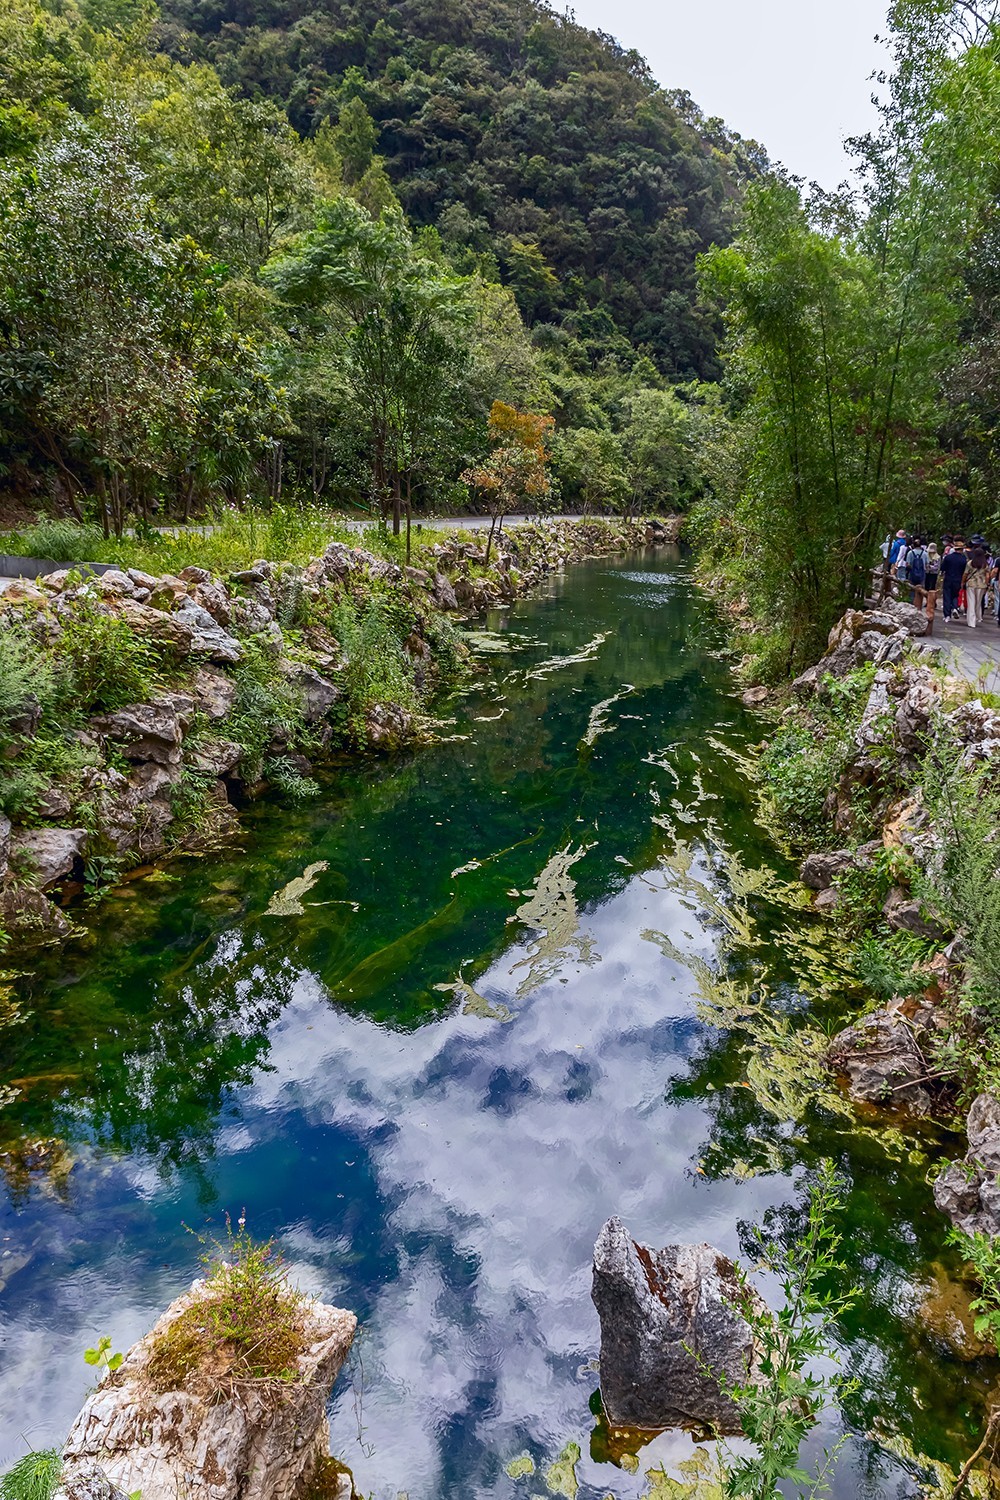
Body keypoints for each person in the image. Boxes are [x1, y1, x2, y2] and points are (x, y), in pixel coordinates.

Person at [940, 536, 967, 623]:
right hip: (958, 579)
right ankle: (955, 607)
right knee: (955, 595)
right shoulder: (964, 559)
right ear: (962, 549)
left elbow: (942, 568)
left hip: (948, 578)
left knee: (947, 596)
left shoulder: (948, 557)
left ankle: (947, 615)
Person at [966, 537, 990, 627]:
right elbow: (988, 575)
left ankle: (971, 622)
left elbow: (965, 574)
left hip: (971, 584)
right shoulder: (985, 564)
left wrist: (962, 582)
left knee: (971, 602)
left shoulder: (970, 563)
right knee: (978, 602)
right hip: (981, 585)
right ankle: (977, 617)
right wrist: (987, 584)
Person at [918, 542, 940, 630]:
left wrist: (929, 567)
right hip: (927, 573)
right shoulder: (926, 555)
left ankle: (932, 602)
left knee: (932, 587)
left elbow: (937, 567)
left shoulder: (938, 557)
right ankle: (928, 601)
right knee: (926, 587)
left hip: (933, 574)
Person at [904, 537, 928, 603]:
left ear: (913, 545)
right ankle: (919, 603)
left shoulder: (910, 553)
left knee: (912, 588)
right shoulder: (925, 553)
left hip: (912, 573)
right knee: (921, 588)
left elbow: (907, 564)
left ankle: (911, 602)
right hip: (922, 574)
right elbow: (927, 564)